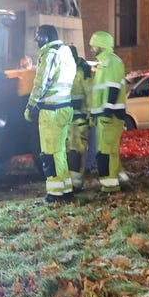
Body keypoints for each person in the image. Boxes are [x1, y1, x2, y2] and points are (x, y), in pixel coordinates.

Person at [24, 24, 76, 203]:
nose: (37, 40)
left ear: (46, 37)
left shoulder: (49, 55)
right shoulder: (66, 53)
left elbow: (41, 83)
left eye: (38, 36)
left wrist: (30, 106)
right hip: (65, 107)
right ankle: (66, 189)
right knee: (60, 152)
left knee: (48, 152)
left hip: (50, 111)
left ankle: (54, 193)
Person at [86, 31, 126, 193]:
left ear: (101, 45)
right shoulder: (104, 63)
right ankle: (118, 181)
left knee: (105, 153)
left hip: (110, 115)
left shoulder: (111, 61)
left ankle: (110, 187)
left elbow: (113, 87)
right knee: (109, 151)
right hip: (105, 115)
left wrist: (107, 110)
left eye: (93, 45)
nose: (91, 48)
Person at [66, 45, 92, 192]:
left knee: (77, 151)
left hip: (80, 118)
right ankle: (73, 182)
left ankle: (76, 183)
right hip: (69, 119)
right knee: (70, 151)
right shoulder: (68, 70)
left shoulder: (82, 71)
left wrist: (89, 115)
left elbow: (90, 94)